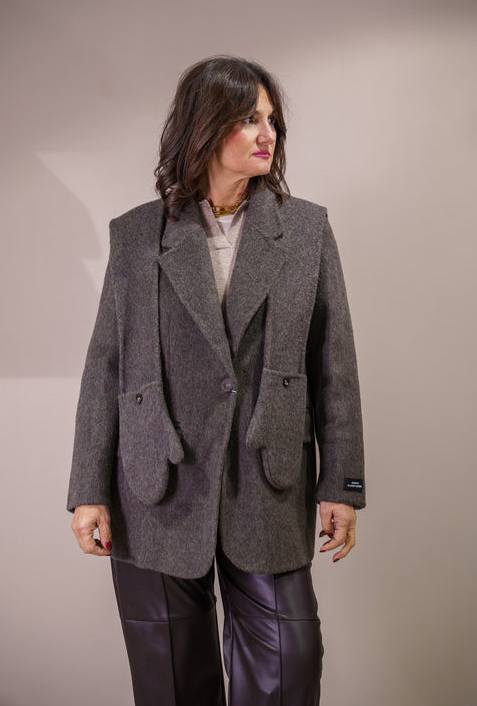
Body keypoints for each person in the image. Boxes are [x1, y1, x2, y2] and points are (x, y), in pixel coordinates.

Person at [67, 55, 365, 706]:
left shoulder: (306, 229)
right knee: (172, 682)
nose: (267, 134)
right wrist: (88, 489)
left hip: (269, 479)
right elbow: (107, 364)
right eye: (249, 118)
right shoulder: (137, 235)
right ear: (204, 126)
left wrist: (341, 483)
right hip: (156, 484)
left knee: (288, 670)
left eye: (272, 120)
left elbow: (333, 363)